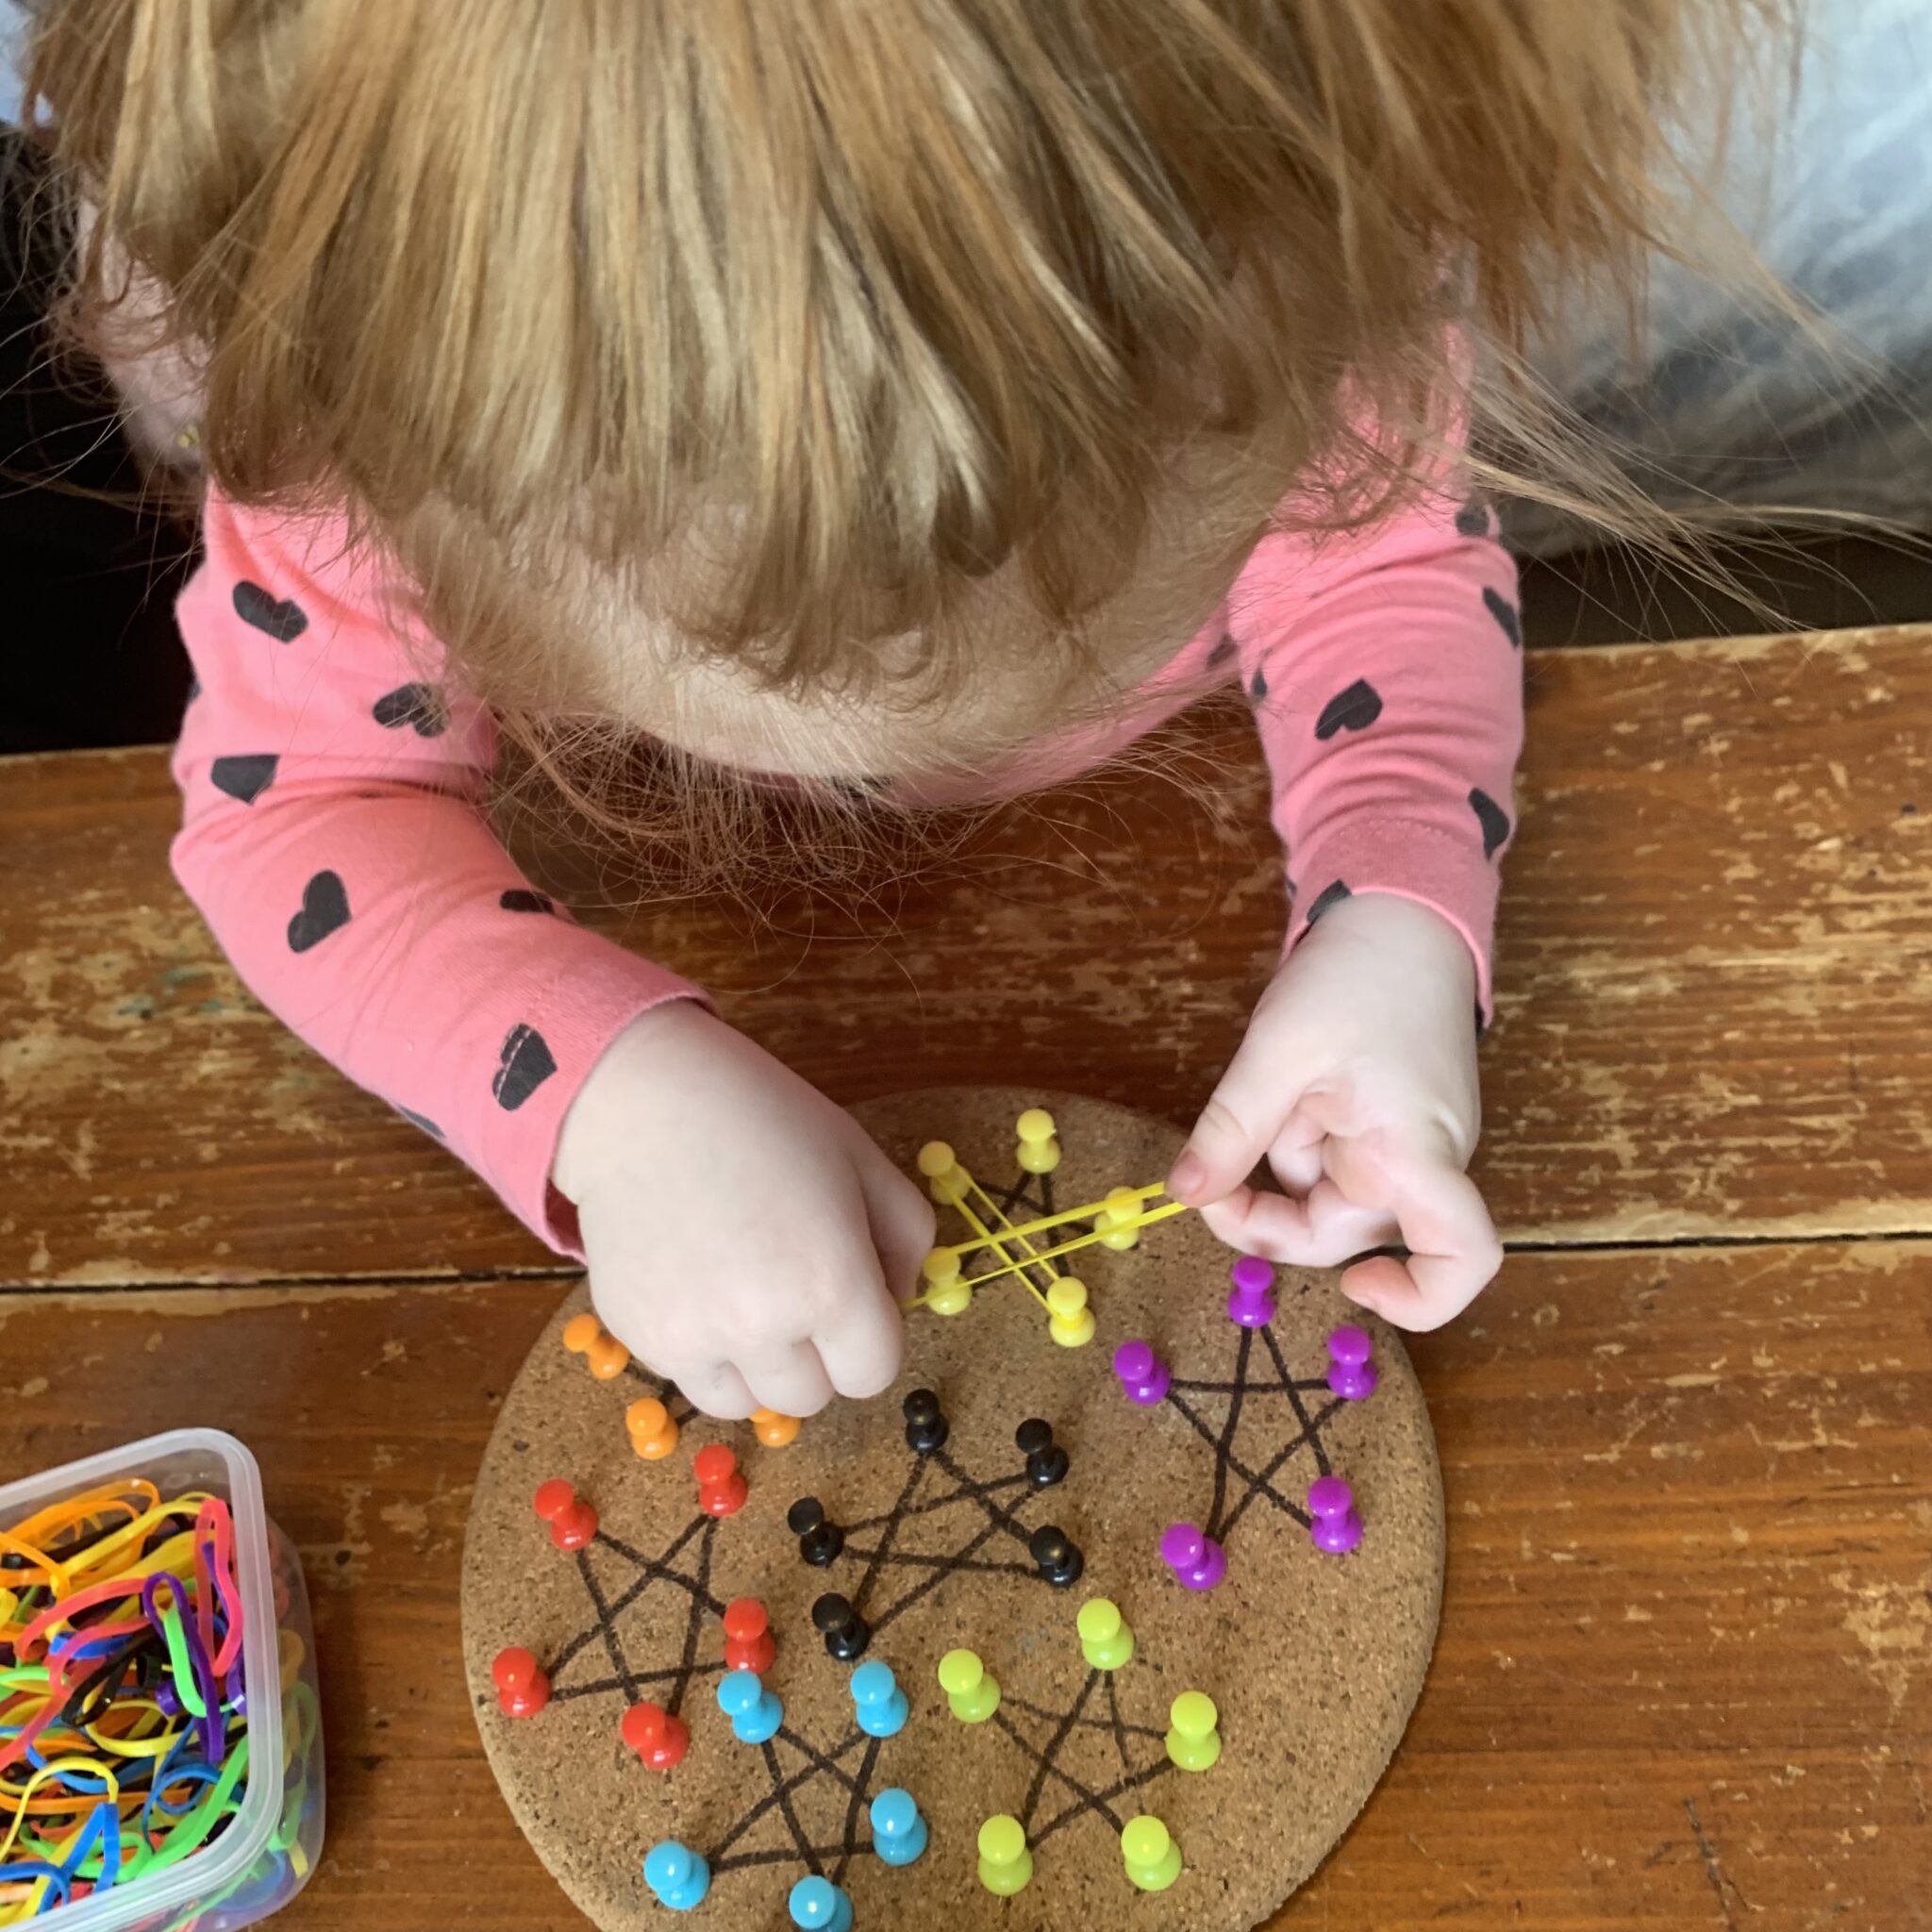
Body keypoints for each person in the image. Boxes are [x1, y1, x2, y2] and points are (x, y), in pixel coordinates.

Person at [21, 1, 1777, 1417]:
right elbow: (291, 810)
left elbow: (1385, 568)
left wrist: (1398, 906)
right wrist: (600, 1097)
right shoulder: (368, 471)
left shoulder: (1276, 260)